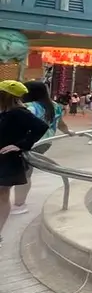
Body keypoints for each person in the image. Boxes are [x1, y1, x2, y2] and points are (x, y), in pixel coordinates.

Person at [0, 81, 49, 246]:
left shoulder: (19, 113)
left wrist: (21, 145)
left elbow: (41, 127)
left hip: (7, 160)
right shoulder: (5, 112)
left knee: (2, 195)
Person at [14, 81, 74, 215]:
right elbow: (61, 124)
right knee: (25, 171)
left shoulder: (29, 107)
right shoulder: (55, 106)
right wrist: (68, 132)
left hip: (28, 142)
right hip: (45, 142)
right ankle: (19, 203)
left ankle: (19, 204)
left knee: (23, 172)